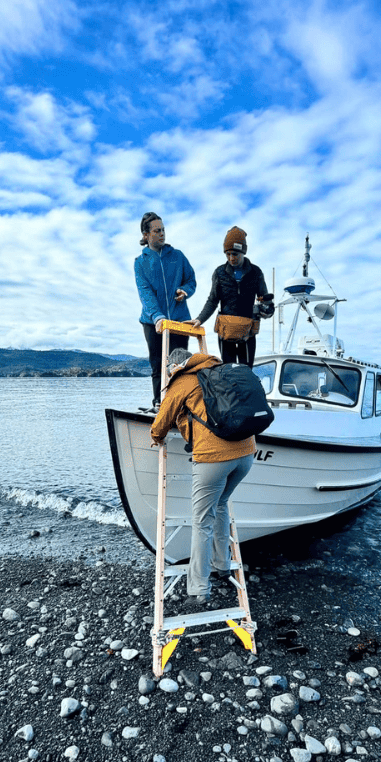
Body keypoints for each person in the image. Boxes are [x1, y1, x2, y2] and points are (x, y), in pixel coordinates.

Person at [151, 347, 255, 602]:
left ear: (173, 366)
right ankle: (222, 564)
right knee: (220, 505)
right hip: (247, 453)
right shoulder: (219, 370)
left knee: (201, 522)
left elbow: (162, 420)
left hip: (213, 458)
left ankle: (199, 589)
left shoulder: (183, 380)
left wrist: (156, 436)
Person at [135, 212, 196, 411]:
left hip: (179, 320)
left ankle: (182, 405)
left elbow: (191, 280)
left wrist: (185, 291)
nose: (162, 234)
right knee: (158, 365)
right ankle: (159, 404)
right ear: (146, 235)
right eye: (157, 231)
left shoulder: (177, 256)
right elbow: (145, 293)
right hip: (152, 322)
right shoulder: (140, 262)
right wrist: (158, 317)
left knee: (180, 364)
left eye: (163, 230)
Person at [190, 226, 270, 367]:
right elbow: (213, 300)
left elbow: (265, 299)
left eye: (235, 254)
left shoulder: (256, 272)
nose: (231, 258)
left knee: (246, 371)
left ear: (243, 252)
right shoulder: (219, 273)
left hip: (248, 333)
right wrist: (199, 319)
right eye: (228, 254)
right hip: (226, 332)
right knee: (228, 371)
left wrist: (268, 310)